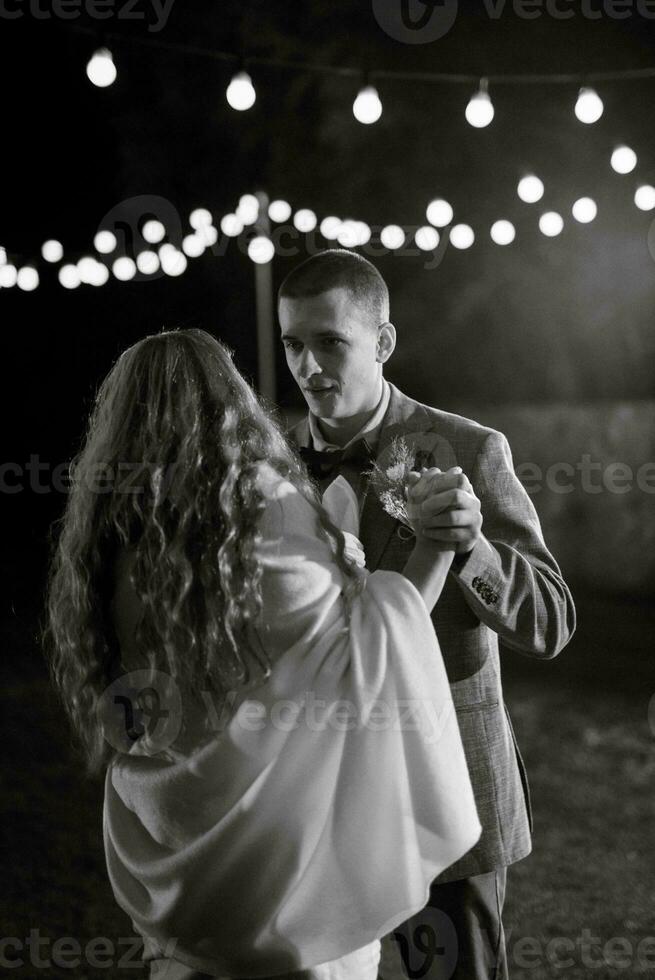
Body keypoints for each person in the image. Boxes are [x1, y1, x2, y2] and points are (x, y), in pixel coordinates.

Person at [43, 328, 482, 980]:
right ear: (233, 402)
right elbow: (367, 650)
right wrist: (432, 550)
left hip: (177, 853)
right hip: (283, 863)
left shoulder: (106, 536)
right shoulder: (261, 505)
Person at [278, 249, 577, 980]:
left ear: (381, 343)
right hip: (318, 799)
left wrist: (473, 548)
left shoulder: (471, 449)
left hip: (444, 798)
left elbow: (551, 619)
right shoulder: (272, 467)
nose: (309, 367)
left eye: (329, 342)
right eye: (292, 344)